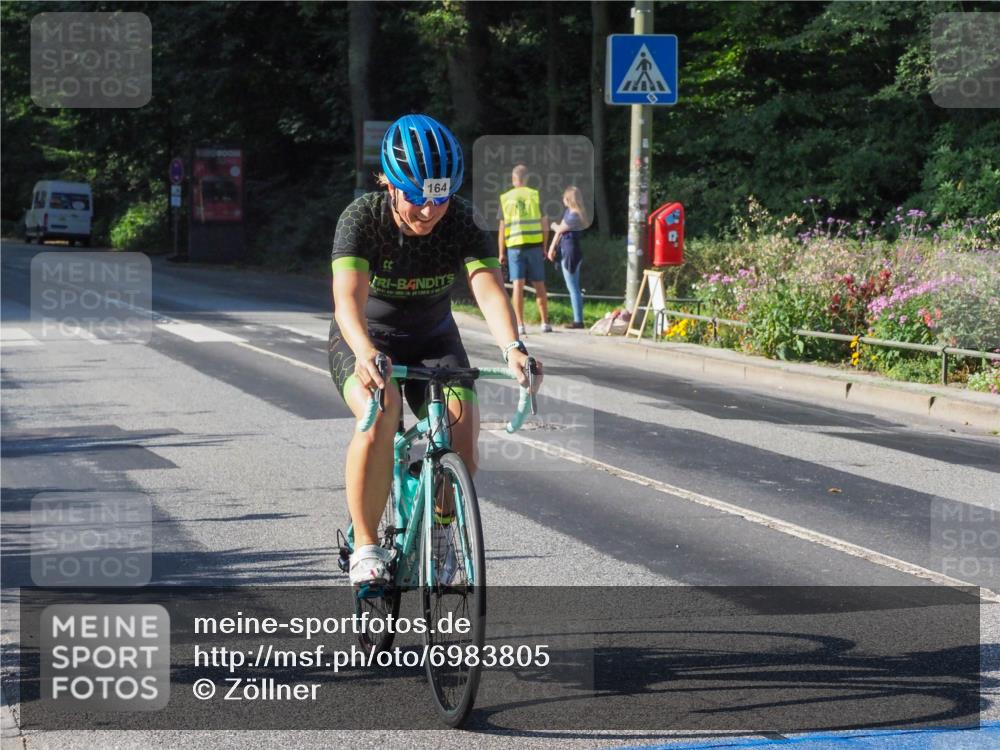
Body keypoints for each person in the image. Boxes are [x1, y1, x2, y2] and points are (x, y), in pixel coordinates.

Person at [329, 114, 542, 586]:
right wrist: (364, 351)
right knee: (381, 414)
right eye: (417, 197)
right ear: (387, 181)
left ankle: (442, 536)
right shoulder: (363, 218)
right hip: (367, 336)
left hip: (433, 337)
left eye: (440, 197)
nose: (428, 211)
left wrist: (513, 347)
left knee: (462, 433)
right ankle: (365, 546)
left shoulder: (461, 220)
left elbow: (488, 288)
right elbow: (347, 300)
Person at [498, 165, 551, 334]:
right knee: (539, 285)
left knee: (517, 285)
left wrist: (501, 252)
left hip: (514, 246)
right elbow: (545, 223)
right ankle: (545, 322)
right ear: (526, 178)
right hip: (535, 245)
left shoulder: (505, 198)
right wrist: (545, 246)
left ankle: (520, 324)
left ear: (514, 179)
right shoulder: (535, 195)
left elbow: (502, 227)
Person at [547, 186, 588, 329]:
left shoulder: (573, 215)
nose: (562, 199)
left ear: (569, 199)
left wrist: (552, 227)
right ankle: (578, 319)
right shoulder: (572, 213)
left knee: (573, 288)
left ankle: (578, 321)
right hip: (572, 250)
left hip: (570, 252)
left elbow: (559, 230)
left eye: (564, 197)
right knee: (574, 286)